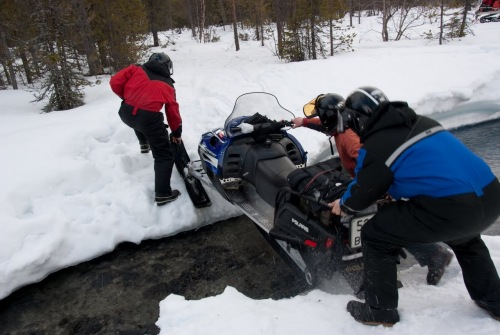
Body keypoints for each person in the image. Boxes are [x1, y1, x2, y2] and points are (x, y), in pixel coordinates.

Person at [328, 86, 500, 326]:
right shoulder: (422, 122)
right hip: (490, 196)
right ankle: (494, 301)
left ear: (358, 119)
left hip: (453, 206)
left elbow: (363, 192)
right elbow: (426, 169)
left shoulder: (377, 145)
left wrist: (344, 205)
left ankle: (379, 310)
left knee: (376, 234)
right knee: (467, 238)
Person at [293, 91, 453, 286]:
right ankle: (428, 255)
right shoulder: (341, 125)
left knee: (379, 227)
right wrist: (305, 122)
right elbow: (326, 124)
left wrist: (368, 184)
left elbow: (368, 157)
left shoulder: (347, 135)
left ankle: (421, 260)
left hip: (376, 184)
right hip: (371, 183)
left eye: (321, 115)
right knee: (380, 224)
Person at [110, 52, 182, 206]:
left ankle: (144, 143)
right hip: (147, 119)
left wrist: (128, 97)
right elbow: (172, 112)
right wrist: (177, 133)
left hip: (126, 113)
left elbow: (115, 81)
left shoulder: (136, 69)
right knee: (164, 155)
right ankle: (163, 194)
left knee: (139, 119)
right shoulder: (168, 85)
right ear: (168, 67)